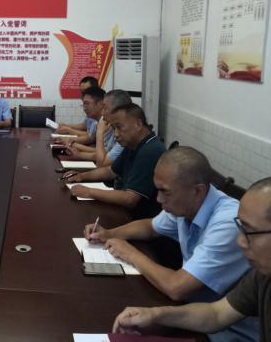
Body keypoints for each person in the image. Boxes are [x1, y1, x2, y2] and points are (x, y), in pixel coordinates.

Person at [86, 147, 257, 341]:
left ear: (197, 191)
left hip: (227, 333)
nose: (159, 199)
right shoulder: (187, 203)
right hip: (196, 315)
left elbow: (177, 288)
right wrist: (109, 234)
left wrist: (130, 254)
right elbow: (151, 226)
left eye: (164, 192)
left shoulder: (228, 224)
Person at [112, 177, 271, 342]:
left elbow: (177, 288)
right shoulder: (262, 275)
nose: (240, 241)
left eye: (249, 231)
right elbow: (216, 314)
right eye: (241, 228)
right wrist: (155, 315)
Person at [66, 103, 164, 219]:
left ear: (138, 124)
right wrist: (81, 176)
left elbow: (130, 199)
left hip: (140, 219)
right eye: (113, 128)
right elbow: (110, 171)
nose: (116, 134)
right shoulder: (133, 144)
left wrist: (89, 192)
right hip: (126, 212)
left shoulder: (150, 150)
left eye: (119, 127)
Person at [61, 86, 106, 150]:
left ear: (100, 104)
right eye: (83, 104)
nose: (84, 108)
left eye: (87, 104)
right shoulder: (97, 121)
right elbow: (90, 138)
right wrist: (69, 140)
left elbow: (103, 153)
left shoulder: (106, 122)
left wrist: (73, 144)